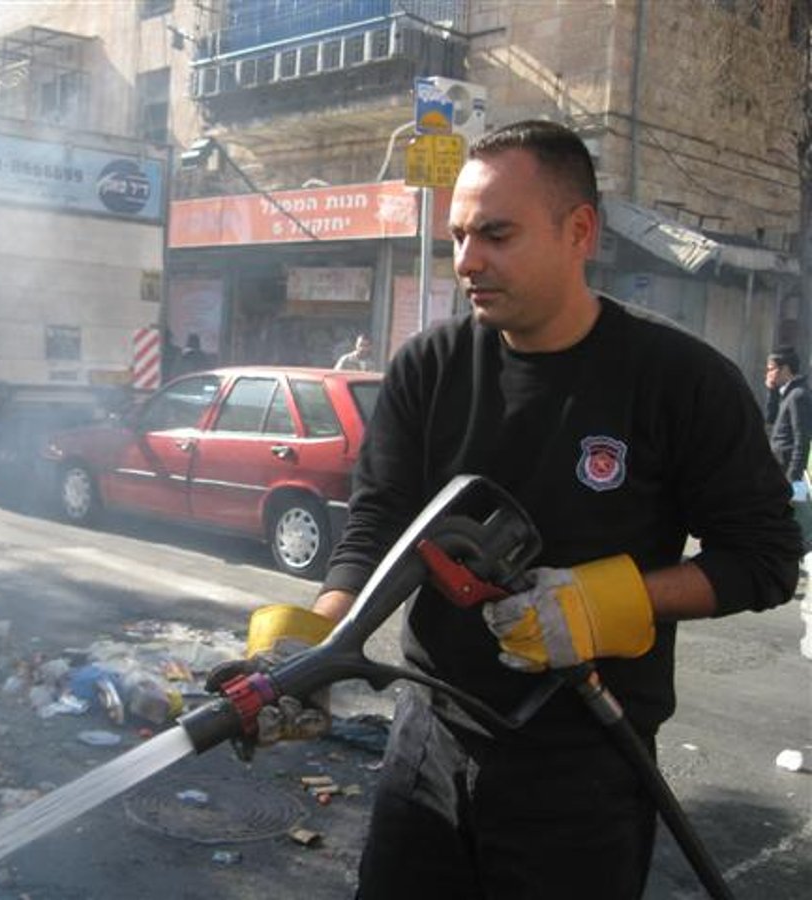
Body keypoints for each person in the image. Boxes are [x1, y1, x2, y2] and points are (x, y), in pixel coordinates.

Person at [215, 121, 802, 899]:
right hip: (429, 744)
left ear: (579, 232)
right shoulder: (430, 366)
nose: (467, 262)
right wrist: (316, 639)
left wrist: (610, 601)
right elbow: (378, 520)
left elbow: (763, 560)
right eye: (459, 236)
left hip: (587, 760)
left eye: (496, 234)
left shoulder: (679, 381)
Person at [765, 345, 812, 484]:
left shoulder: (798, 395)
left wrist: (793, 479)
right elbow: (770, 419)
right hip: (777, 467)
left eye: (771, 369)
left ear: (785, 369)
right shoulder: (787, 393)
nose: (768, 373)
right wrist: (771, 391)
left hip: (786, 471)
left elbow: (801, 439)